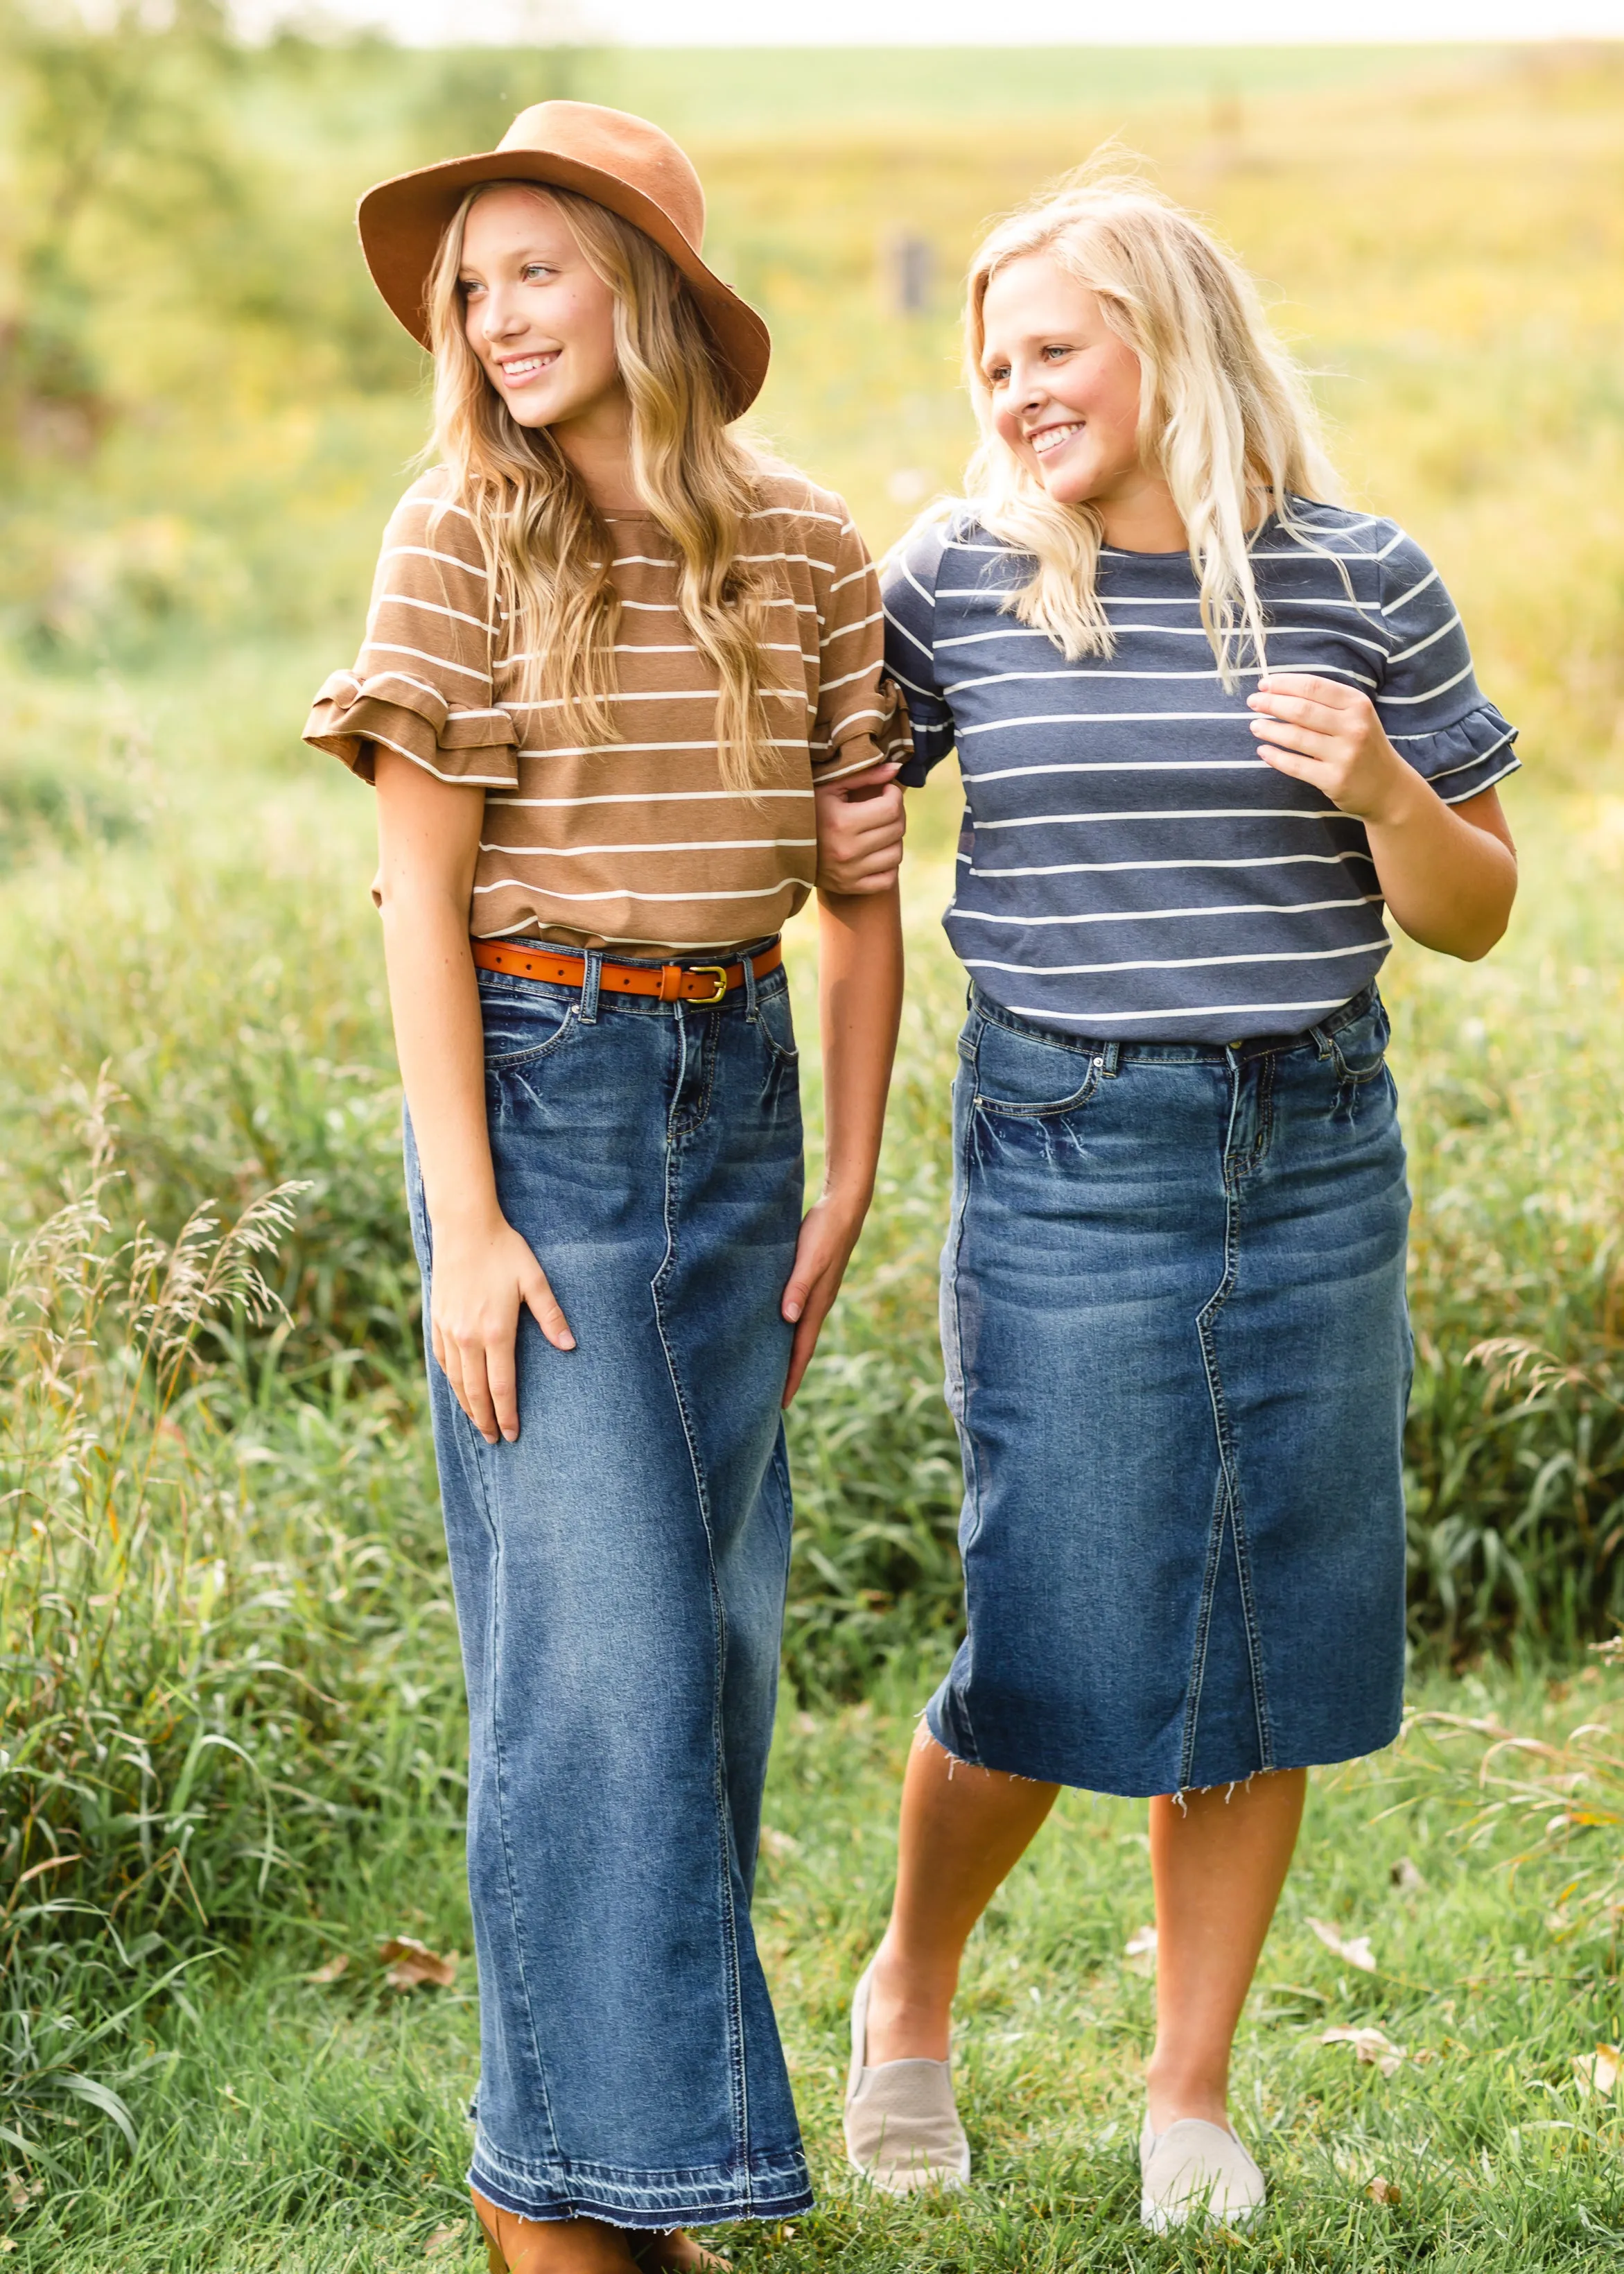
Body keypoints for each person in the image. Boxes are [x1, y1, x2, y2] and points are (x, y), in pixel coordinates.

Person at [852, 171, 1519, 2230]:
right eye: (992, 359)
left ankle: (1187, 2091)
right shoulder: (954, 579)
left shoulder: (1358, 580)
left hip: (1310, 1145)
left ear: (1170, 336)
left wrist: (1385, 793)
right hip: (1064, 1151)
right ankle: (909, 1997)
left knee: (1266, 1628)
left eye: (1051, 345)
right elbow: (821, 806)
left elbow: (1475, 911)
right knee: (1047, 1632)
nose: (1013, 387)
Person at [304, 101, 906, 2274]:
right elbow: (413, 893)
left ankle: (605, 2178)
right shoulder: (457, 527)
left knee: (719, 1654)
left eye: (533, 267)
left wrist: (844, 1167)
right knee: (600, 1662)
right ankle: (555, 2198)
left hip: (738, 1105)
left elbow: (861, 888)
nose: (494, 317)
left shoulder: (813, 550)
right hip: (544, 1102)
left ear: (647, 282)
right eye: (471, 287)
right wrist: (465, 1225)